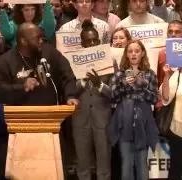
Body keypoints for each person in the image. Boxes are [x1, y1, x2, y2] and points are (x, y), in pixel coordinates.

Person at [0, 22, 78, 106]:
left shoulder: (49, 52)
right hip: (20, 118)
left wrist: (70, 96)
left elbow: (67, 75)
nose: (41, 41)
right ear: (23, 41)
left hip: (52, 115)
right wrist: (22, 87)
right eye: (37, 38)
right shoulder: (5, 62)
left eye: (41, 37)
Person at [109, 40, 159, 180]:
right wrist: (124, 85)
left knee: (142, 164)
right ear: (126, 54)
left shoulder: (149, 74)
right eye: (130, 51)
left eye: (136, 51)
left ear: (142, 53)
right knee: (126, 165)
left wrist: (140, 86)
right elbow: (112, 98)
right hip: (124, 123)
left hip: (143, 124)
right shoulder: (119, 75)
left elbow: (154, 99)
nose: (133, 54)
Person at [72, 19, 112, 180]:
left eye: (95, 40)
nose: (92, 43)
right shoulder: (72, 63)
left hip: (102, 119)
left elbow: (114, 94)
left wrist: (100, 84)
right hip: (80, 119)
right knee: (82, 162)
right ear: (82, 44)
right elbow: (67, 91)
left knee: (104, 160)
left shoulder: (110, 62)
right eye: (88, 41)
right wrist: (82, 82)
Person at [160, 63, 182, 179]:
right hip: (177, 129)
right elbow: (166, 98)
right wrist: (167, 75)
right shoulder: (177, 75)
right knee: (176, 167)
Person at [156, 20, 182, 109]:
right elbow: (158, 79)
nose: (173, 34)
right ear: (167, 34)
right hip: (166, 102)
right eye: (170, 31)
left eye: (177, 32)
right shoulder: (161, 54)